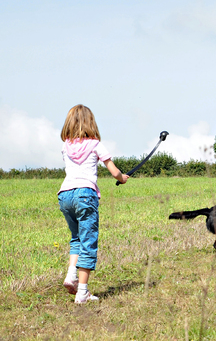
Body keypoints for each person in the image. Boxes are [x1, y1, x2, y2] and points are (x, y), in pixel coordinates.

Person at [58, 104, 129, 304]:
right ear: (91, 123)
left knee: (76, 238)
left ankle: (71, 274)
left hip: (65, 194)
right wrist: (122, 178)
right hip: (85, 194)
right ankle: (82, 292)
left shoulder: (66, 145)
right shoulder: (96, 144)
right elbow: (114, 172)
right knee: (88, 241)